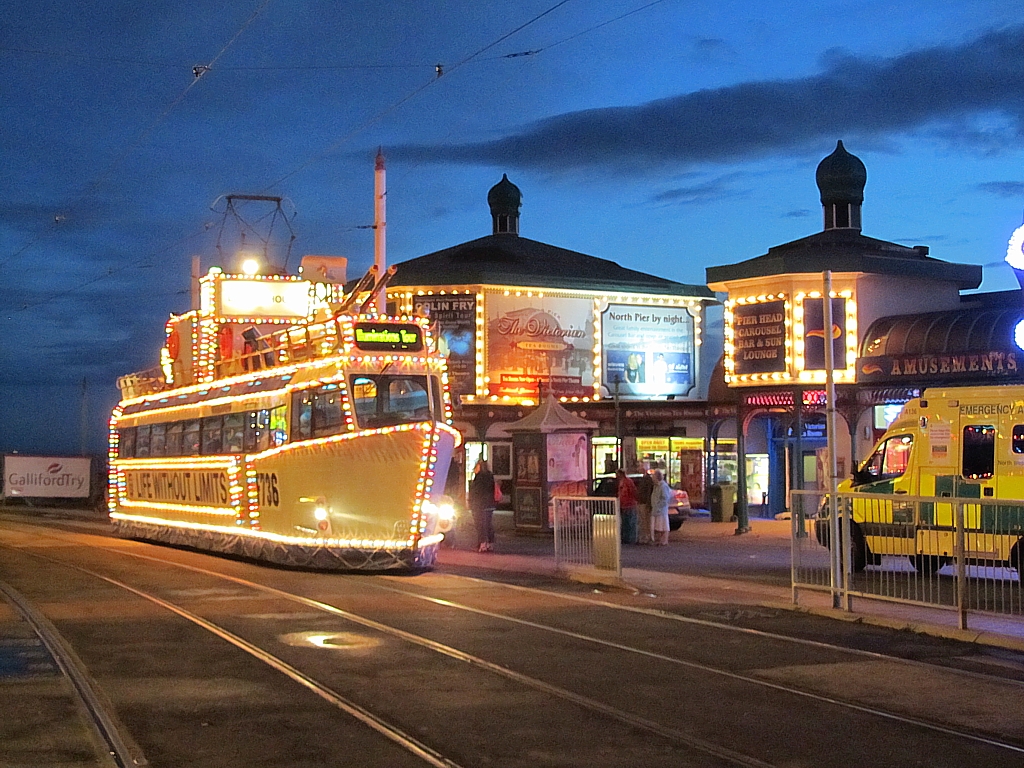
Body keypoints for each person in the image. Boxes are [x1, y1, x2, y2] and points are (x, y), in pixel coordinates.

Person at [468, 459, 497, 552]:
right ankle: (490, 543)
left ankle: (483, 544)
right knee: (488, 523)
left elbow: (476, 492)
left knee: (480, 524)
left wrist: (471, 502)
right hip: (489, 504)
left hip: (479, 504)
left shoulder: (479, 477)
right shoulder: (490, 476)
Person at [615, 468, 639, 545]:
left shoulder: (628, 482)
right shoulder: (621, 482)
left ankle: (631, 539)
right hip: (623, 505)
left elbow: (633, 492)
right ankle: (625, 538)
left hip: (629, 505)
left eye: (617, 474)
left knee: (630, 522)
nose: (616, 476)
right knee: (625, 522)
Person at [650, 469, 672, 546]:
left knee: (663, 526)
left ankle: (664, 541)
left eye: (653, 476)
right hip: (656, 509)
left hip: (661, 510)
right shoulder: (656, 486)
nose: (652, 478)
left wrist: (659, 506)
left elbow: (665, 498)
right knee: (658, 526)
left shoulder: (663, 486)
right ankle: (660, 541)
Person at [635, 465, 654, 545]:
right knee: (642, 521)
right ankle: (644, 537)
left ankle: (647, 537)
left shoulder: (647, 479)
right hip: (641, 502)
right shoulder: (644, 478)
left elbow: (649, 492)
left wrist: (648, 503)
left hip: (644, 503)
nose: (638, 469)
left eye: (639, 467)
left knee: (645, 521)